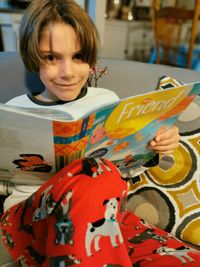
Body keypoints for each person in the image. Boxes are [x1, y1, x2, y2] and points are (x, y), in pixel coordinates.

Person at [1, 0, 200, 266]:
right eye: (51, 57)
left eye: (79, 56)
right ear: (33, 56)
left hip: (107, 217)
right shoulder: (14, 110)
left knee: (185, 259)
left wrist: (155, 144)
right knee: (93, 171)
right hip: (32, 221)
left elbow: (125, 168)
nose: (67, 72)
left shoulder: (106, 101)